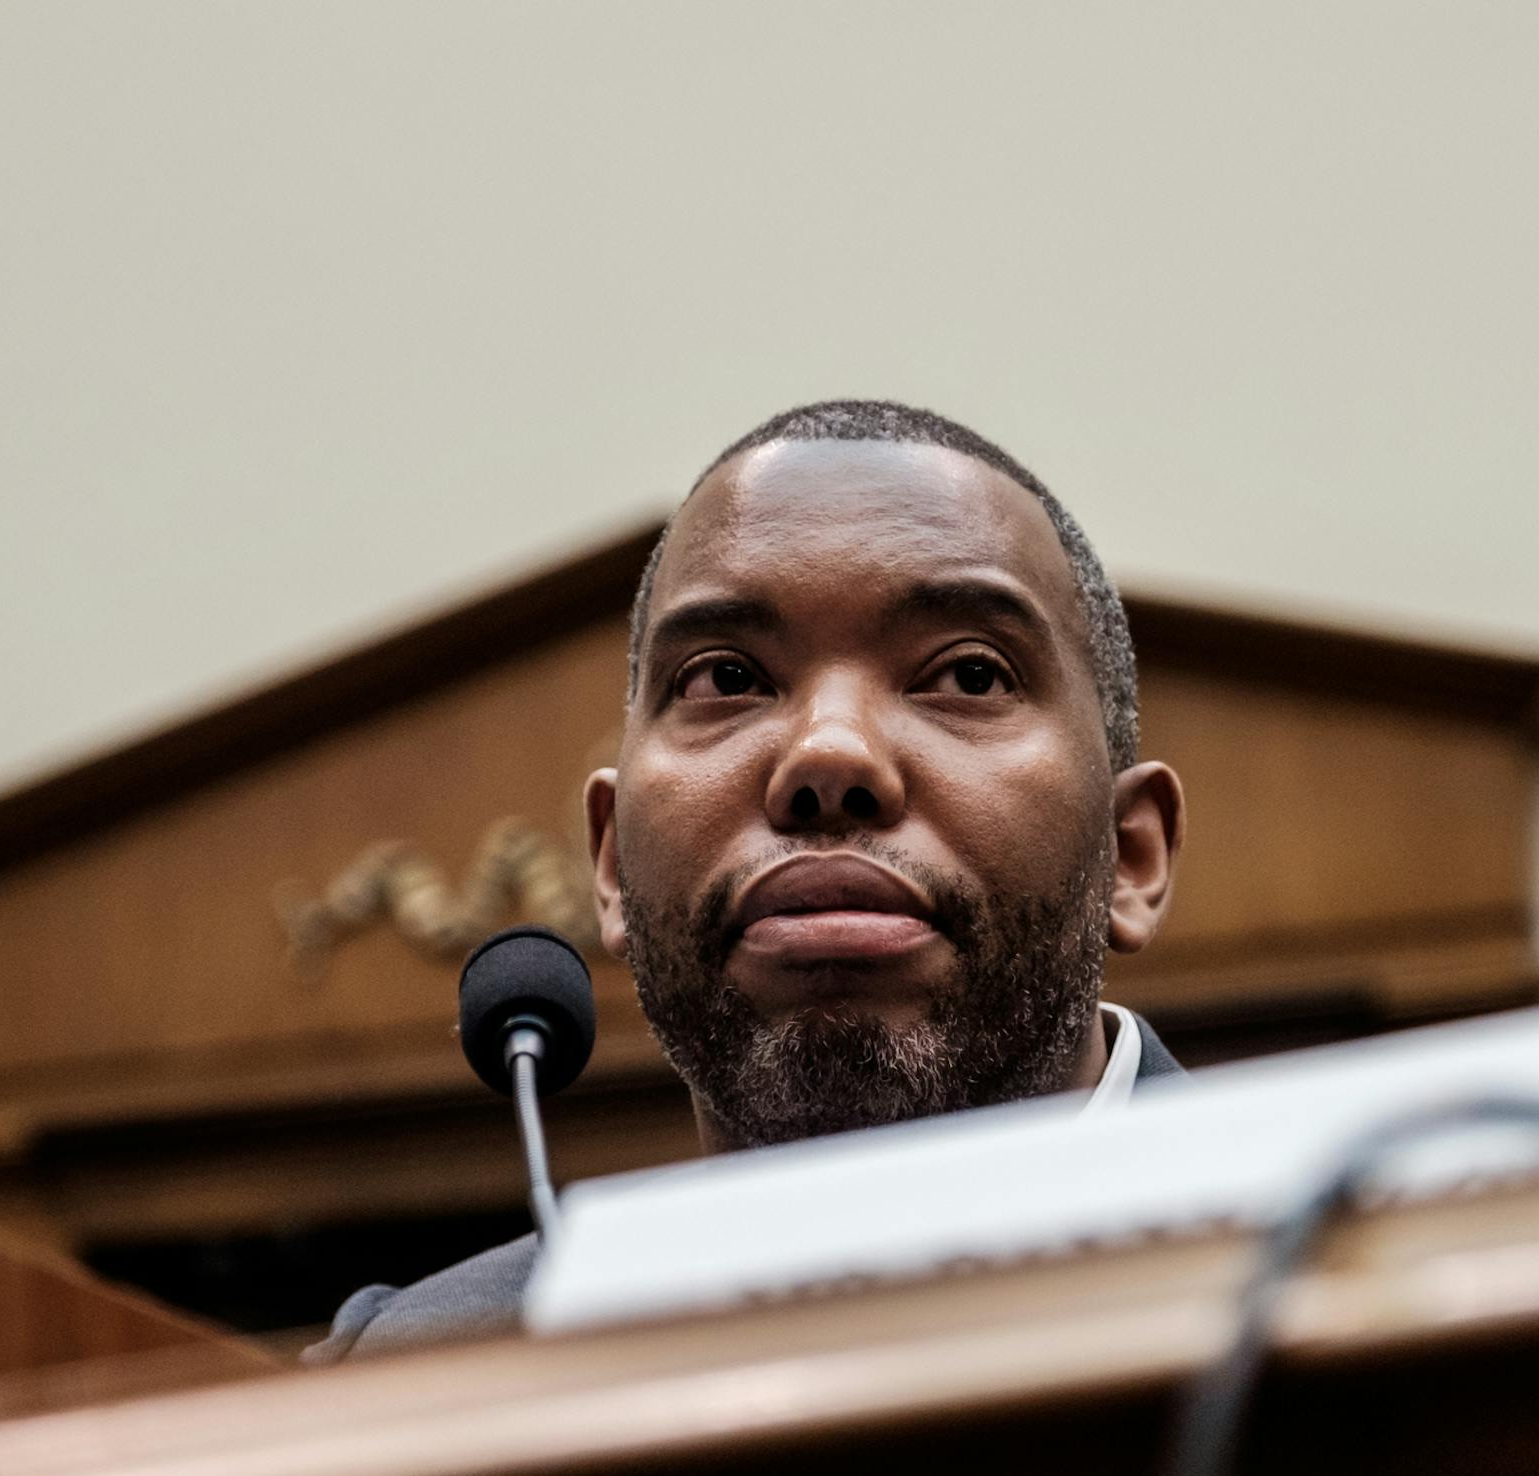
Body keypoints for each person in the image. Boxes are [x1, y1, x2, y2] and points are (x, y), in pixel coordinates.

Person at [306, 401, 1186, 1362]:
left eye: (969, 676)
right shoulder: (420, 1366)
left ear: (1131, 856)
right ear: (608, 863)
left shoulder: (1359, 1262)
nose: (828, 756)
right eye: (725, 678)